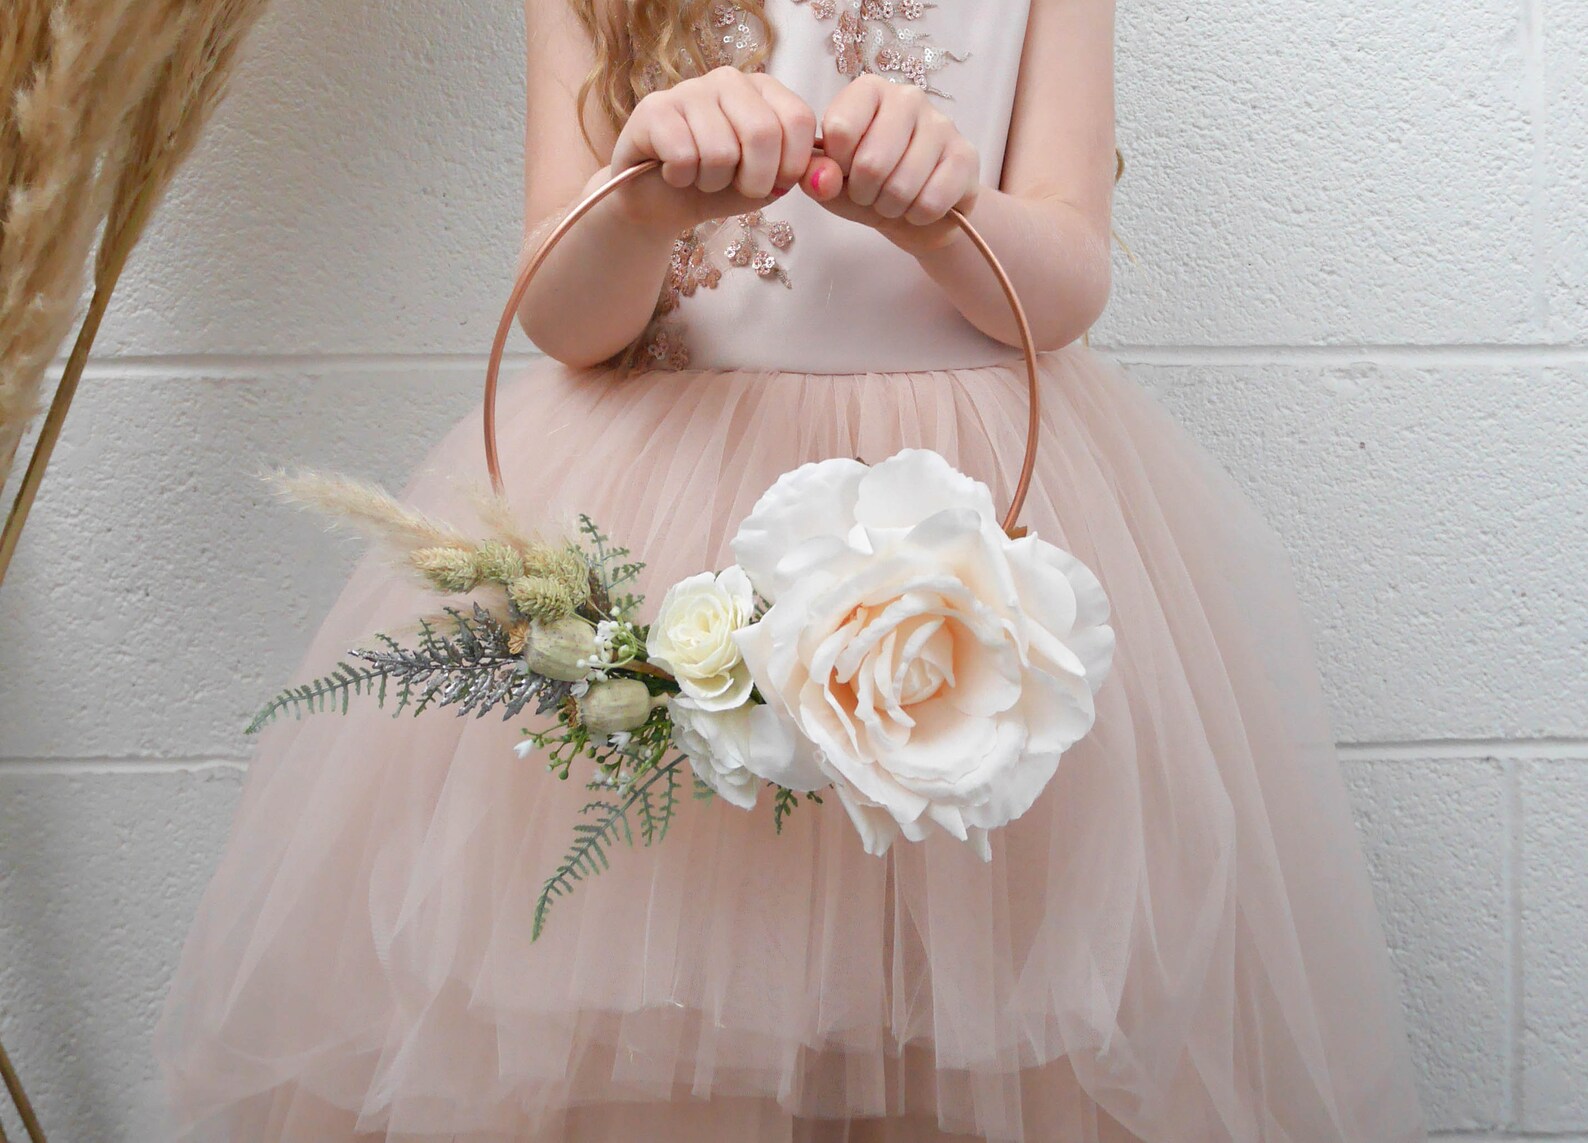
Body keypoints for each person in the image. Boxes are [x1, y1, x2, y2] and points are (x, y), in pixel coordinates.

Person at [154, 2, 1429, 1139]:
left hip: (957, 518)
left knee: (965, 1024)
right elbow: (561, 316)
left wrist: (954, 218)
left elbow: (1060, 287)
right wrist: (645, 201)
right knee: (655, 1025)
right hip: (660, 511)